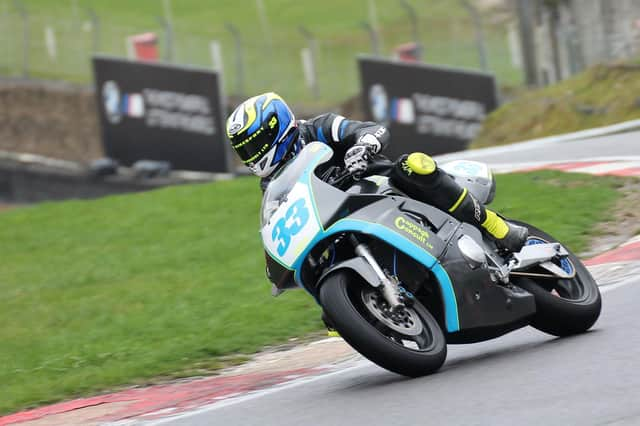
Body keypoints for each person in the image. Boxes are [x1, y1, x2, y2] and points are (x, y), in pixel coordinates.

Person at [225, 92, 528, 252]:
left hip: (381, 185)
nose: (252, 157)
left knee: (413, 165)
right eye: (244, 152)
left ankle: (496, 227)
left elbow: (371, 129)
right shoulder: (272, 183)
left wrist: (362, 146)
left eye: (254, 146)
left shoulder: (319, 127)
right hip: (345, 217)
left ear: (274, 130)